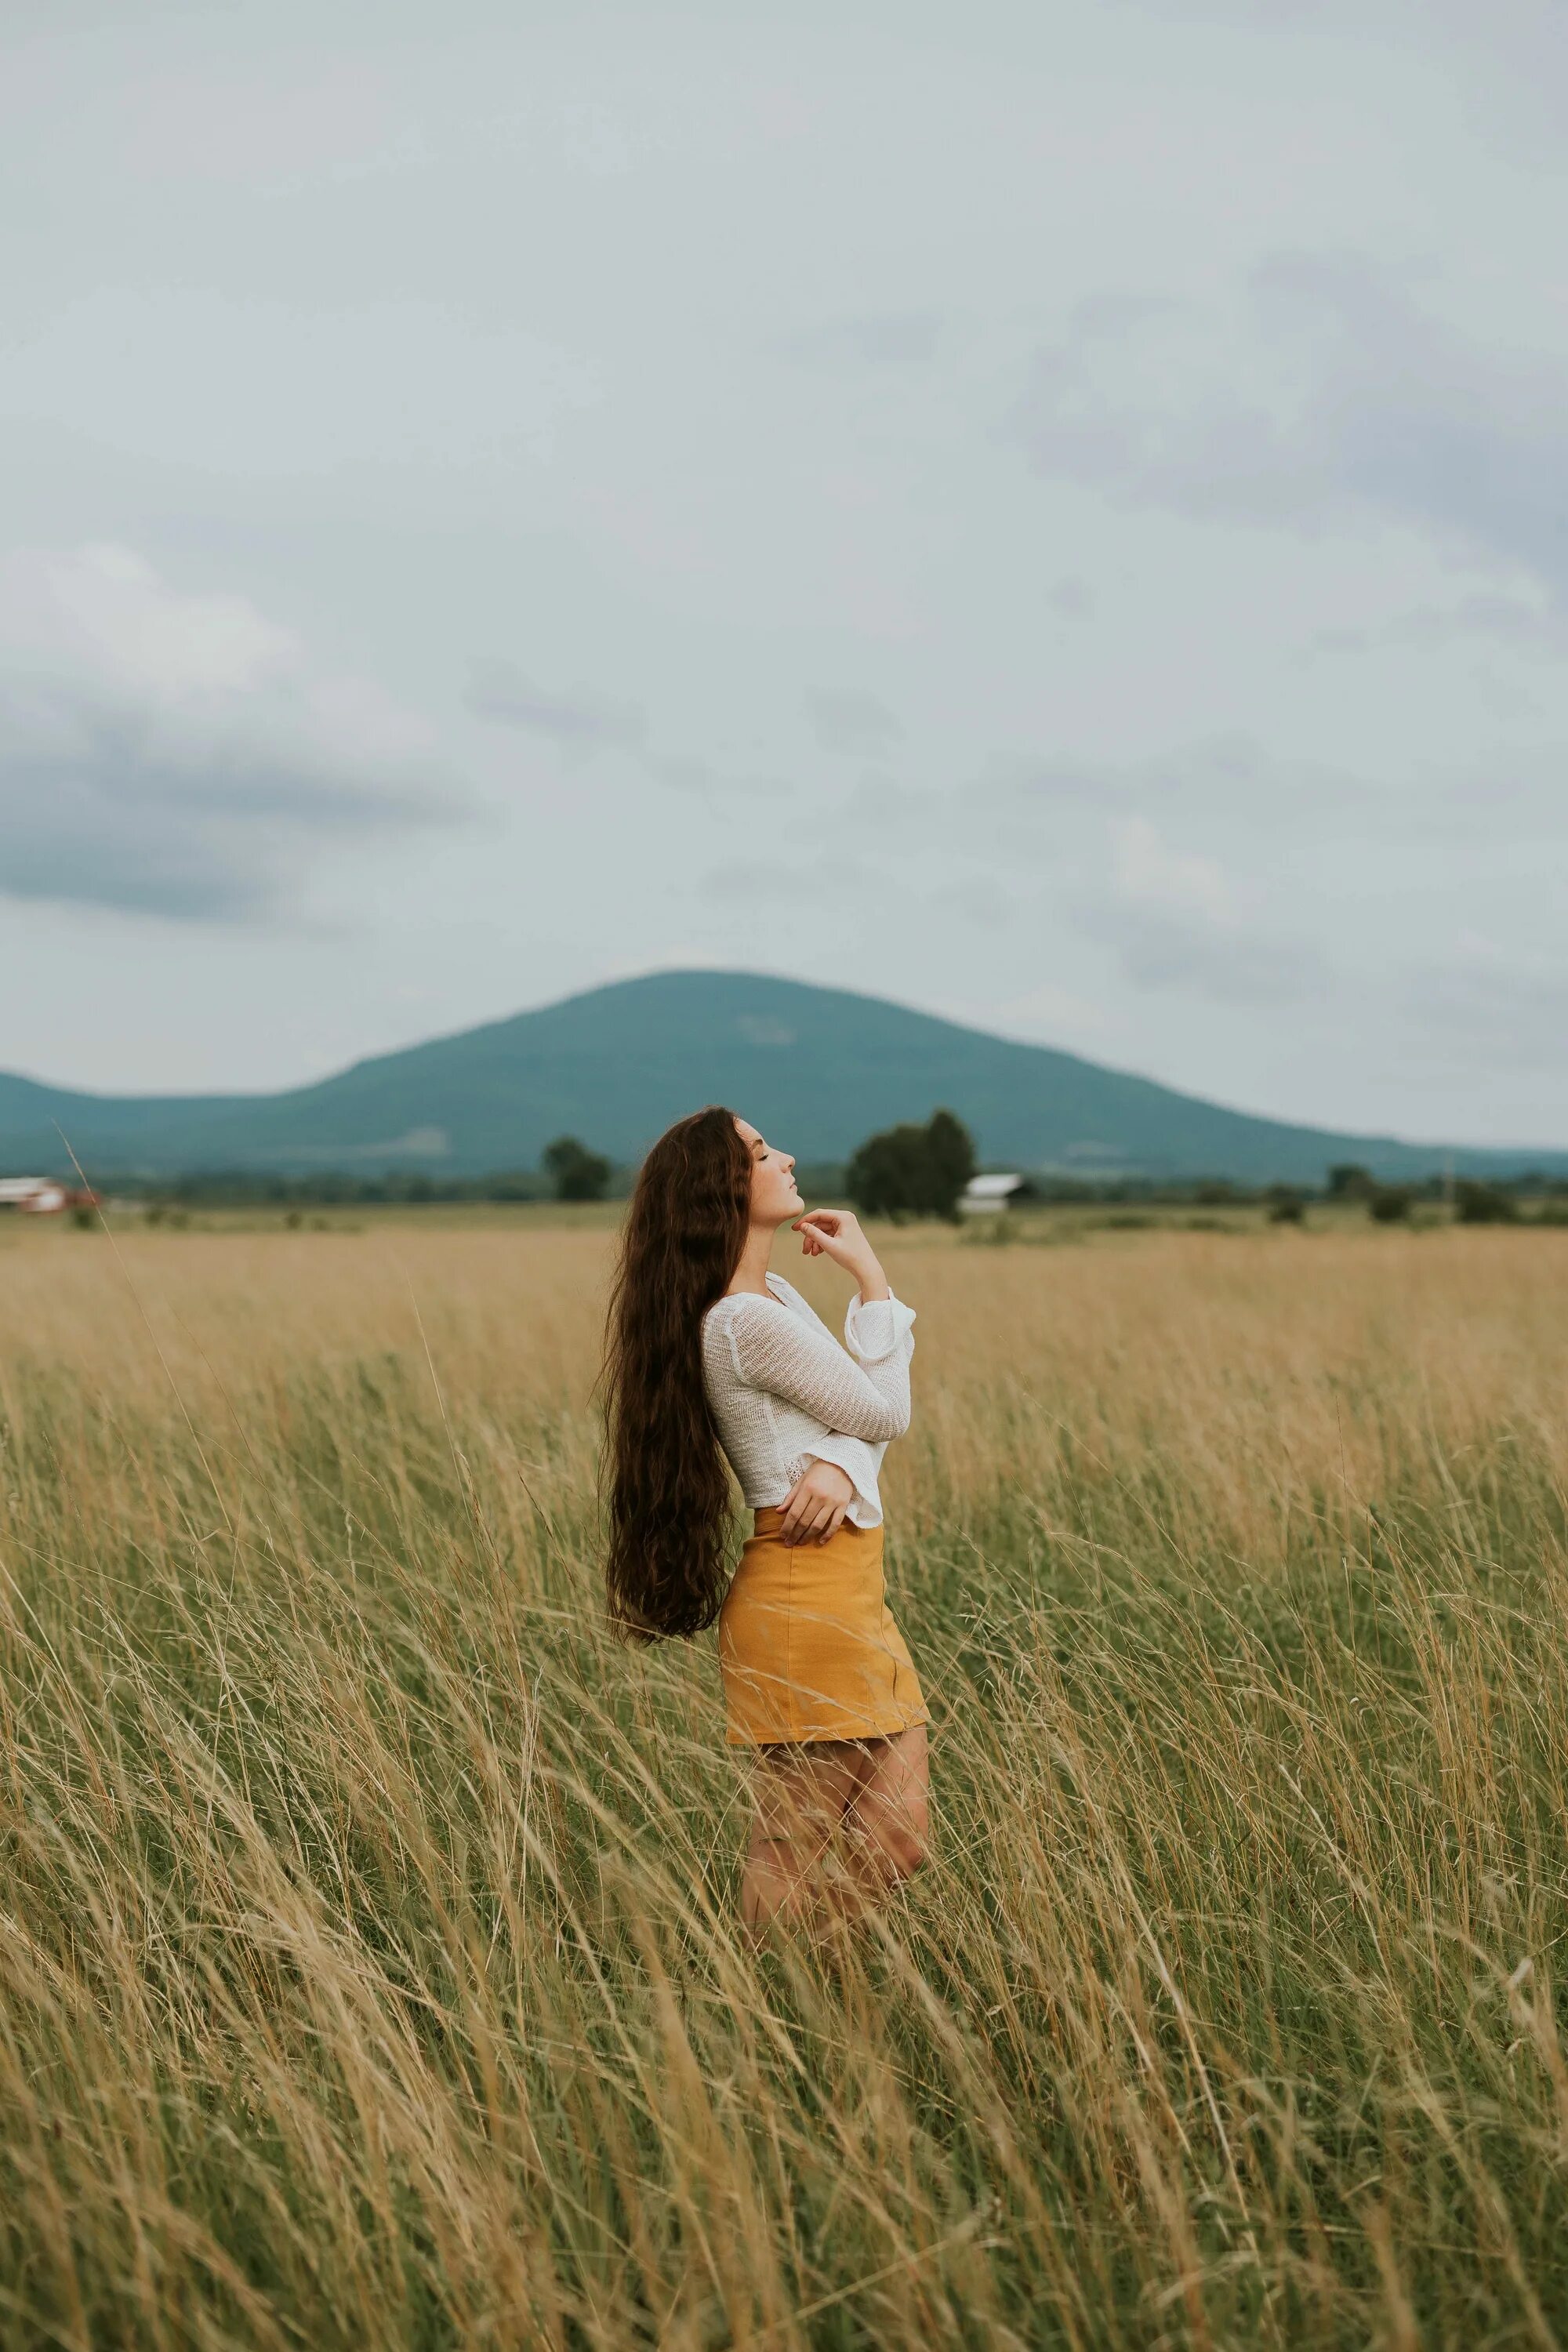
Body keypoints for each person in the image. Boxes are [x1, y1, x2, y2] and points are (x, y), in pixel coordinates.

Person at [602, 1104, 928, 1932]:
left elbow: (858, 1425)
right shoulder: (743, 1322)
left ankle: (810, 1993)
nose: (783, 1157)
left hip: (850, 1593)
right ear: (722, 1186)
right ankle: (774, 2007)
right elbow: (883, 1412)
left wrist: (841, 1460)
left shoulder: (772, 1295)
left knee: (897, 1840)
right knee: (790, 1843)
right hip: (802, 1593)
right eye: (758, 1151)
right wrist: (872, 1283)